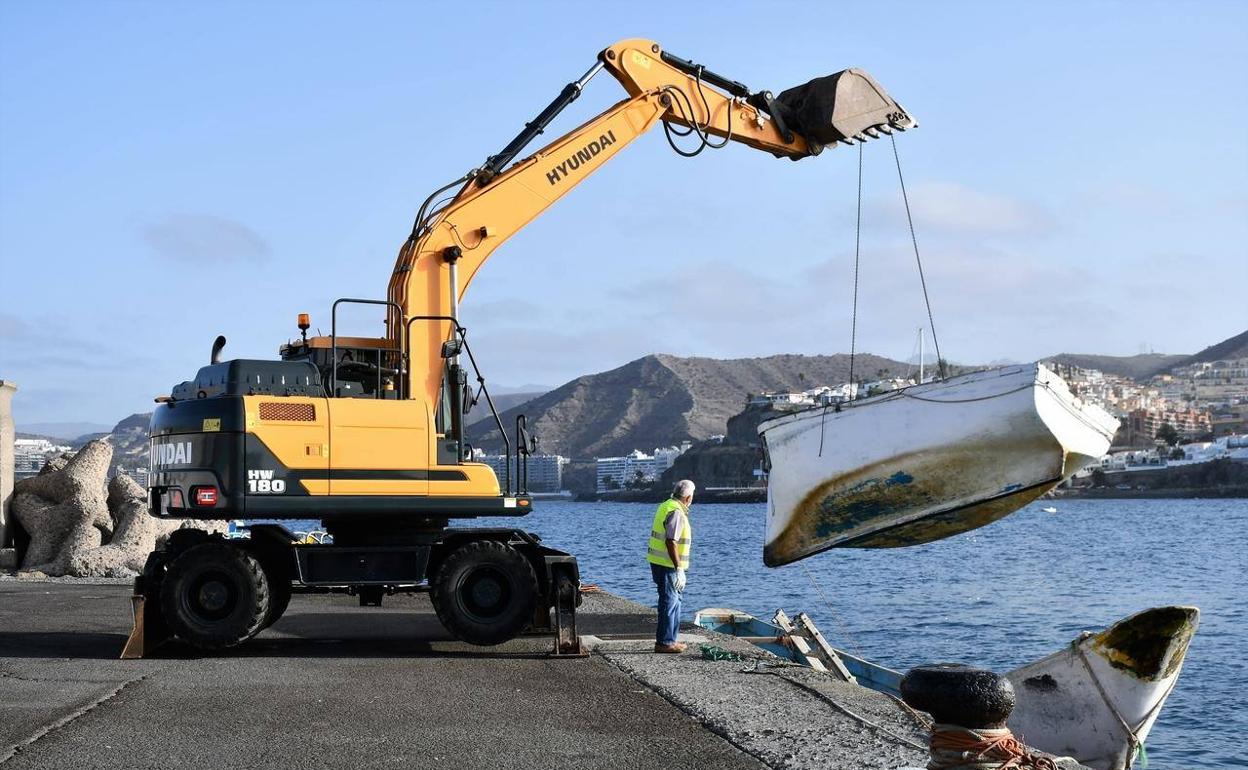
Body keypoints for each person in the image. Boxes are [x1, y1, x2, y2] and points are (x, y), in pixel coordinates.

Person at [646, 479, 694, 653]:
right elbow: (671, 541)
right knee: (670, 602)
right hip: (668, 565)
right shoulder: (676, 512)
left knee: (673, 601)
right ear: (688, 498)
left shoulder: (666, 505)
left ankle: (670, 640)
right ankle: (665, 642)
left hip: (659, 562)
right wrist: (679, 568)